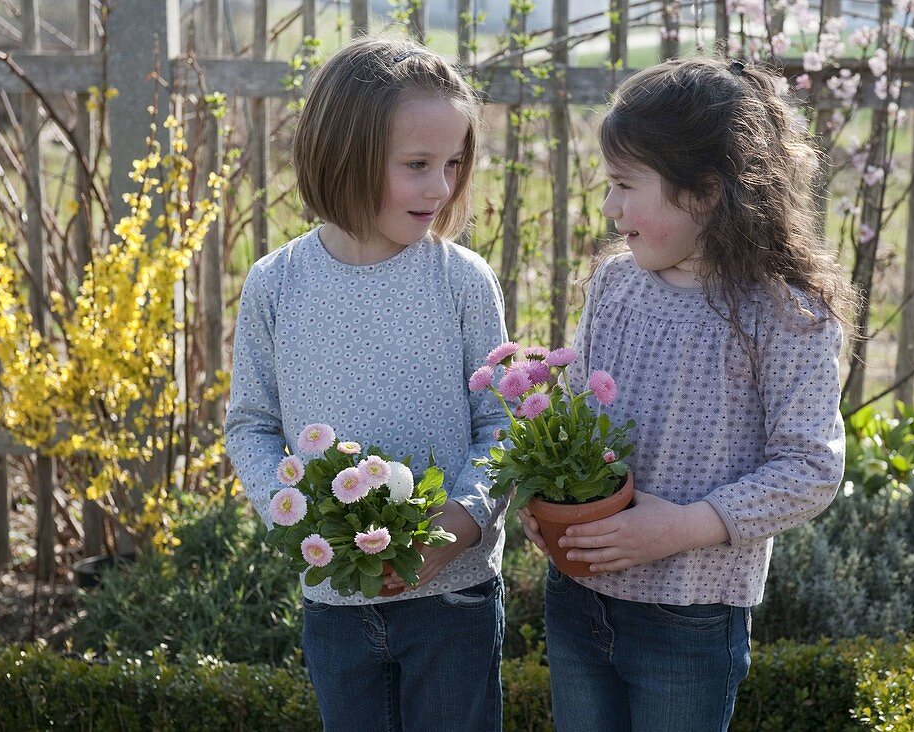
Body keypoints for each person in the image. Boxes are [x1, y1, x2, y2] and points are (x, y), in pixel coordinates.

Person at [520, 57, 854, 731]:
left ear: (703, 192)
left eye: (623, 185)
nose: (609, 208)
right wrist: (542, 498)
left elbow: (810, 468)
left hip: (690, 616)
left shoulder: (784, 317)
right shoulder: (615, 285)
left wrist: (681, 526)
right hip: (578, 597)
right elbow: (579, 420)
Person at [224, 35, 509, 732]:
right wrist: (290, 511)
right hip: (335, 600)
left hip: (454, 602)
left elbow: (503, 426)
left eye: (452, 163)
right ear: (344, 157)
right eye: (417, 165)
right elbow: (251, 423)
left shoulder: (462, 282)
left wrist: (464, 521)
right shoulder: (277, 285)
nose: (440, 187)